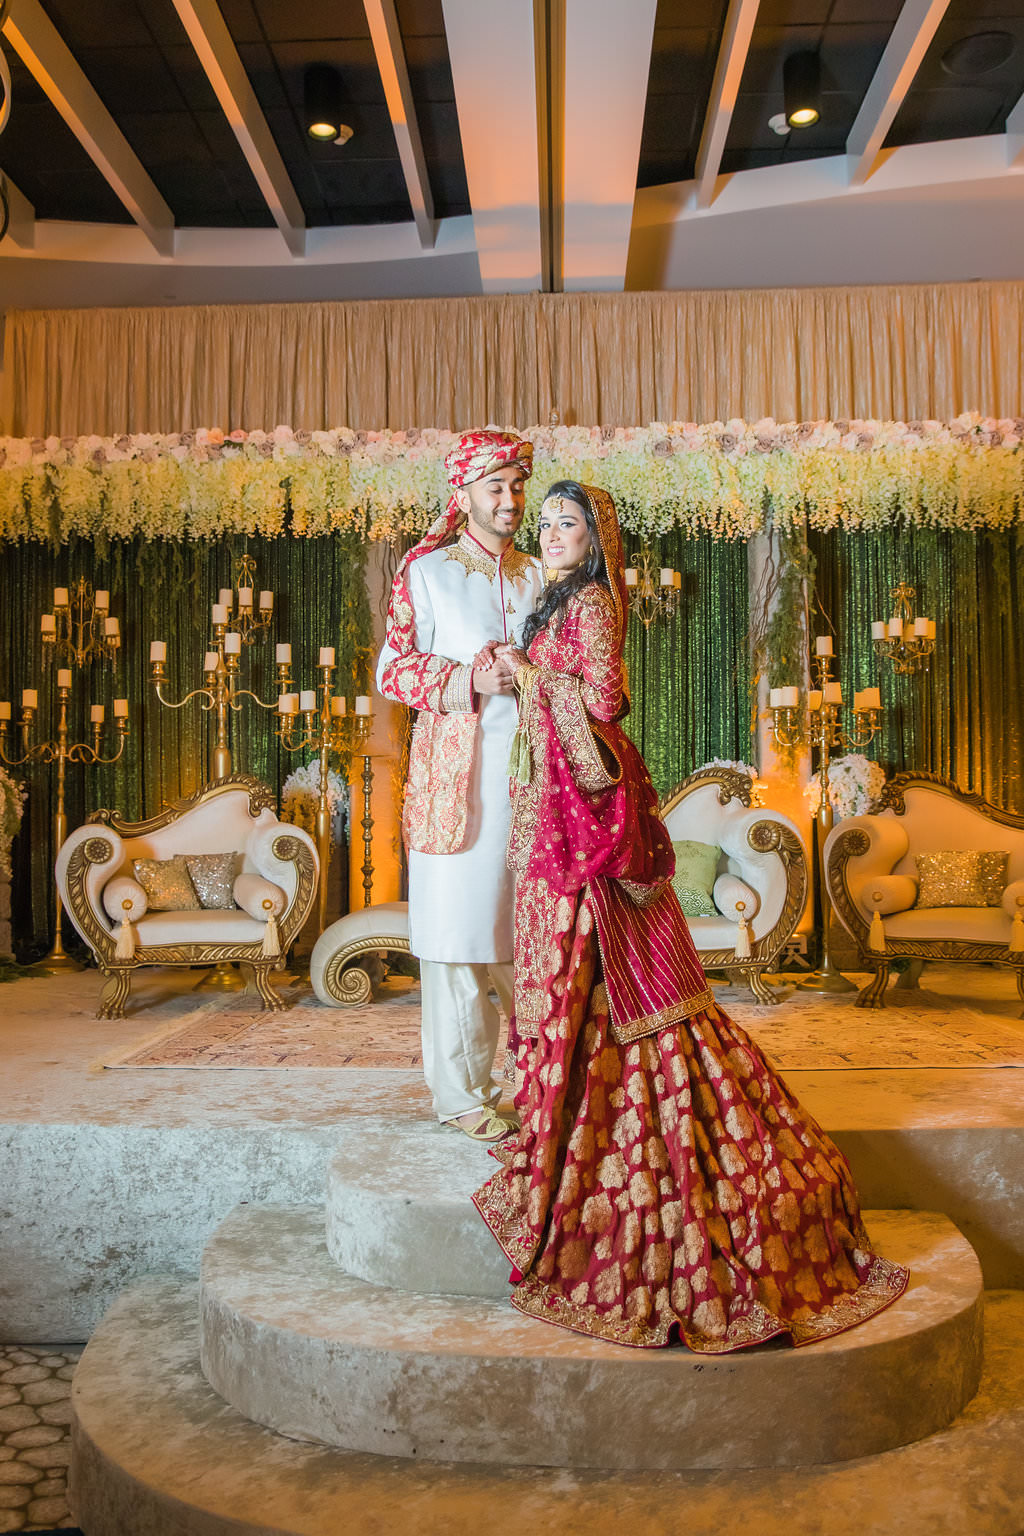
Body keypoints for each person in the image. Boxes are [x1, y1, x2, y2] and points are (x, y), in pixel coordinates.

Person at [472, 480, 909, 1350]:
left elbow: (600, 703)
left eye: (569, 524)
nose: (553, 534)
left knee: (615, 981)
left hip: (590, 815)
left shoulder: (591, 602)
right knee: (576, 980)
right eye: (547, 523)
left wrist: (528, 675)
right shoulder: (556, 600)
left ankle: (637, 1139)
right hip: (558, 806)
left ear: (596, 541)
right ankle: (579, 1126)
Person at [376, 429, 544, 1141]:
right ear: (464, 494)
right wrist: (467, 680)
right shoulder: (427, 573)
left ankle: (540, 1081)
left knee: (532, 937)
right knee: (459, 936)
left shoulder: (540, 573)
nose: (509, 501)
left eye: (516, 486)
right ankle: (464, 1093)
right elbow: (393, 670)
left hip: (537, 781)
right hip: (458, 780)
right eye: (495, 487)